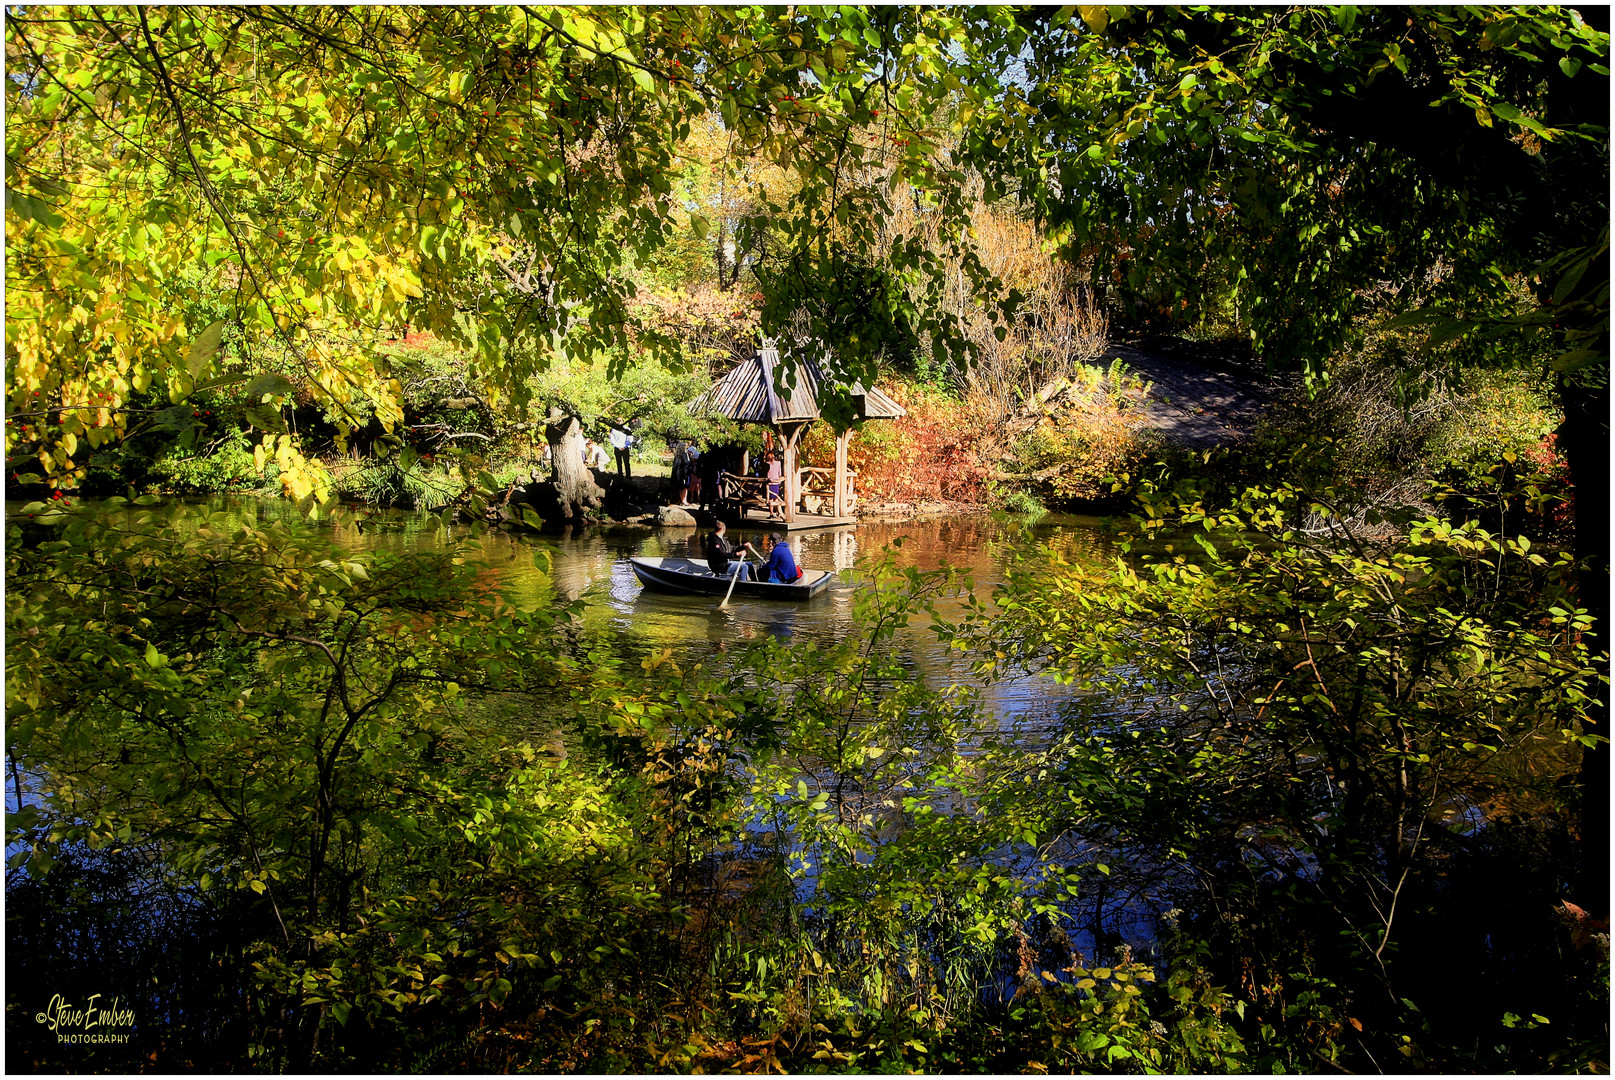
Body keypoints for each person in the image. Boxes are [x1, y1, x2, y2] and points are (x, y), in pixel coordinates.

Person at [765, 451, 784, 517]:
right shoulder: (778, 463)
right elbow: (780, 473)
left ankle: (771, 513)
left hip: (769, 483)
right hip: (776, 482)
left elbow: (765, 474)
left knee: (770, 499)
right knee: (776, 498)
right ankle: (778, 512)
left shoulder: (766, 464)